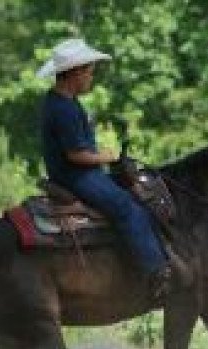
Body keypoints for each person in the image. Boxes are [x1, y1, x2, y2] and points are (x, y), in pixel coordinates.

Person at [37, 38, 171, 300]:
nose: (90, 78)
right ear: (75, 73)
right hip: (76, 177)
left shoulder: (61, 101)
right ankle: (156, 272)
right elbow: (76, 155)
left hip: (78, 173)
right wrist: (107, 157)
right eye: (88, 72)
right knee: (126, 207)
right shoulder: (64, 109)